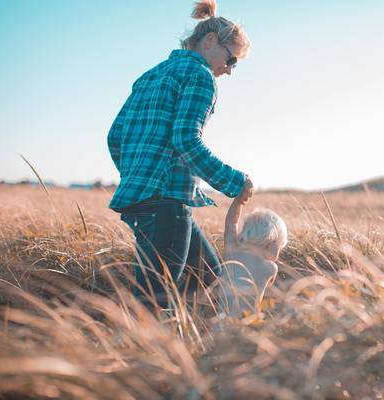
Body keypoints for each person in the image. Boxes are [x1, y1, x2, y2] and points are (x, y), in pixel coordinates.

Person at [107, 0, 251, 308]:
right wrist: (235, 182)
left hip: (143, 200)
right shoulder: (201, 77)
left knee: (211, 282)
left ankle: (210, 350)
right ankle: (141, 354)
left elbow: (115, 137)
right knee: (154, 303)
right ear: (211, 41)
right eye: (232, 60)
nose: (229, 70)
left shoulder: (150, 75)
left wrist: (138, 177)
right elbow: (186, 140)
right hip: (166, 203)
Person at [217, 184, 288, 318]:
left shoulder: (233, 252)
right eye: (280, 247)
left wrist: (238, 202)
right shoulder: (270, 268)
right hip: (247, 324)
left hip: (221, 321)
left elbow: (231, 223)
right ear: (273, 244)